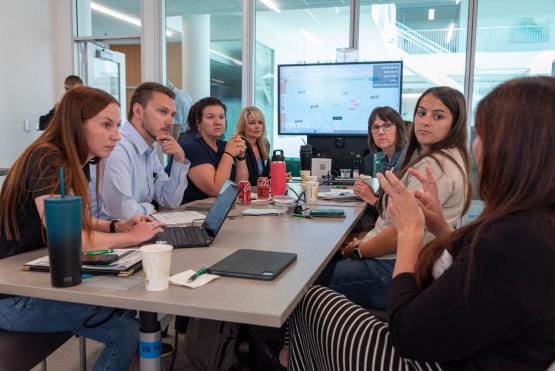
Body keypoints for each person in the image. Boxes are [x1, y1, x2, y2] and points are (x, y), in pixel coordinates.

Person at [287, 76, 555, 370]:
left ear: (518, 148)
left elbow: (407, 335)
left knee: (305, 289)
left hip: (423, 346)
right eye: (421, 113)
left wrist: (409, 233)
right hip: (457, 334)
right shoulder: (532, 224)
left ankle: (284, 356)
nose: (477, 147)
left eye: (484, 135)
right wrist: (439, 225)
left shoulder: (513, 241)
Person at [0, 86, 165, 370]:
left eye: (117, 126)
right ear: (77, 123)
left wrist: (117, 226)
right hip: (13, 298)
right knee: (124, 329)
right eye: (106, 125)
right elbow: (70, 239)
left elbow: (71, 219)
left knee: (125, 312)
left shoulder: (79, 159)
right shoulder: (47, 158)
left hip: (35, 280)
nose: (116, 135)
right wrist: (132, 236)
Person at [315, 86, 472, 311]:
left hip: (393, 265)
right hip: (397, 258)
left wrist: (359, 250)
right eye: (421, 113)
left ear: (455, 123)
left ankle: (288, 345)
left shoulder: (432, 167)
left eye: (438, 116)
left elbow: (403, 232)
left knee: (306, 281)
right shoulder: (447, 158)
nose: (425, 122)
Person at [100, 82, 190, 220]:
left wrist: (179, 160)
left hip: (136, 232)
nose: (170, 122)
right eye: (163, 112)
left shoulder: (148, 149)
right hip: (111, 237)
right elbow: (125, 213)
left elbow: (170, 201)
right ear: (138, 111)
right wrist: (150, 208)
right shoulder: (117, 149)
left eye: (172, 115)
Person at [167, 97, 248, 204]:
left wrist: (241, 156)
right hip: (184, 212)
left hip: (214, 207)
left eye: (221, 117)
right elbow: (216, 190)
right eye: (210, 117)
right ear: (198, 123)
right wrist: (228, 154)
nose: (218, 122)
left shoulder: (223, 145)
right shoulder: (190, 146)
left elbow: (240, 185)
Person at [234, 106, 271, 185]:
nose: (257, 126)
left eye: (260, 122)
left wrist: (278, 178)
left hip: (259, 193)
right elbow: (241, 181)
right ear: (243, 127)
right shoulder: (238, 144)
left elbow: (265, 175)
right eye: (252, 123)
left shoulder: (265, 144)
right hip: (243, 192)